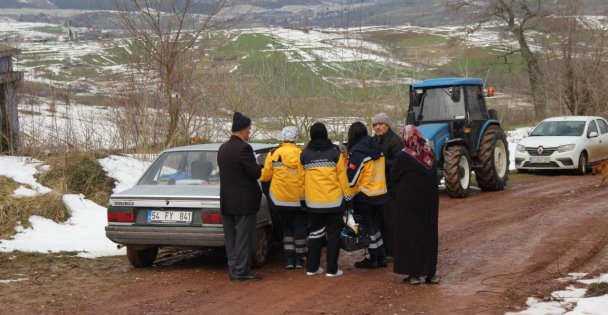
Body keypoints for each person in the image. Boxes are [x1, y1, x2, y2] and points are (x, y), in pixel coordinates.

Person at [301, 122, 353, 277]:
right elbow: (342, 178)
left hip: (313, 203)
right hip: (334, 202)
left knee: (315, 234)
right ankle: (332, 269)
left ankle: (312, 268)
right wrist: (348, 198)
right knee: (333, 235)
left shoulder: (304, 155)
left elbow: (300, 181)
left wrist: (302, 199)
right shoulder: (335, 153)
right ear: (325, 134)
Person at [391, 125, 439, 285]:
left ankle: (414, 274)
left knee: (411, 235)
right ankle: (431, 273)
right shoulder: (430, 153)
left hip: (409, 202)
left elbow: (394, 175)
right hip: (430, 201)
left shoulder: (403, 156)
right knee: (428, 234)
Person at [217, 112, 262, 282]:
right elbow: (254, 173)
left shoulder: (223, 148)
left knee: (231, 239)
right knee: (243, 238)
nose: (249, 133)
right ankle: (242, 271)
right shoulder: (244, 148)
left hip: (227, 200)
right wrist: (259, 164)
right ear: (243, 130)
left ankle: (233, 269)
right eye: (249, 130)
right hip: (244, 202)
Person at [260, 126, 307, 269]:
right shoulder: (302, 154)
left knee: (286, 229)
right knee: (300, 228)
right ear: (296, 137)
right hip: (299, 199)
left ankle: (289, 260)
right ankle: (299, 259)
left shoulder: (274, 153)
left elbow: (266, 176)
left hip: (279, 199)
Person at [345, 121, 389, 269]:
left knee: (368, 228)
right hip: (380, 193)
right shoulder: (376, 147)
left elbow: (351, 178)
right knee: (375, 227)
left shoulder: (358, 152)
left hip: (365, 195)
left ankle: (372, 258)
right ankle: (381, 256)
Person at [371, 112, 403, 260]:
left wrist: (381, 162)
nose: (378, 127)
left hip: (391, 187)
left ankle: (393, 251)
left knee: (390, 220)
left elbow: (399, 163)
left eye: (380, 124)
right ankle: (383, 249)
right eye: (375, 125)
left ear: (387, 125)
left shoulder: (395, 141)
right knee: (379, 220)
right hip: (377, 187)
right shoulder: (374, 140)